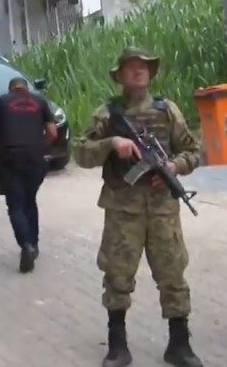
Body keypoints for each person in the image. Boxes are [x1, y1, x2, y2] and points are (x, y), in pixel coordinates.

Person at [74, 47, 202, 367]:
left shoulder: (167, 110)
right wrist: (110, 144)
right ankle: (117, 345)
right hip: (122, 209)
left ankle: (179, 344)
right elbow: (81, 153)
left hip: (162, 210)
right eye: (131, 67)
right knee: (117, 275)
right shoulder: (107, 114)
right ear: (120, 76)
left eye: (144, 67)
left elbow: (193, 151)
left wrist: (173, 167)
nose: (138, 71)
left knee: (173, 274)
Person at [0, 77, 57, 273]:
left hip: (11, 158)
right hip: (35, 158)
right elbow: (52, 132)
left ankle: (26, 245)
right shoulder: (41, 101)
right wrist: (39, 148)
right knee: (30, 200)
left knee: (16, 204)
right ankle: (34, 244)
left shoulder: (1, 102)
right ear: (26, 89)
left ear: (10, 89)